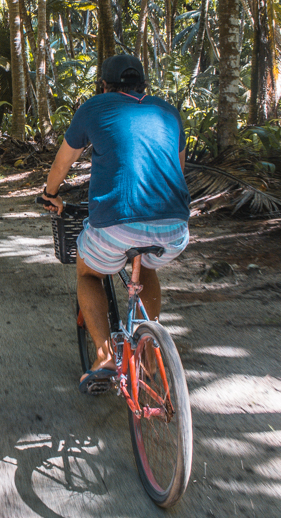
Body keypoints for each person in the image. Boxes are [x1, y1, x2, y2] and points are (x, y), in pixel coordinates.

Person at [41, 54, 190, 394]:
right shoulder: (167, 111)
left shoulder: (94, 108)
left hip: (116, 225)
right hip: (175, 228)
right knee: (145, 267)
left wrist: (50, 193)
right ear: (144, 86)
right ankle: (149, 350)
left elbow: (63, 163)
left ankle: (106, 355)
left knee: (88, 273)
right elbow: (178, 170)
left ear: (104, 86)